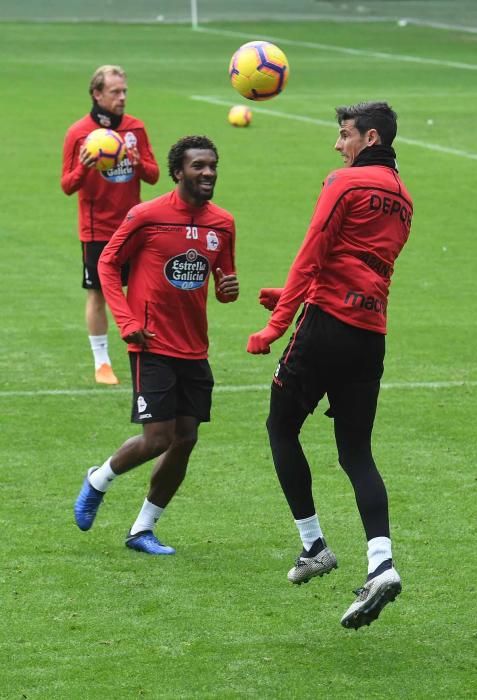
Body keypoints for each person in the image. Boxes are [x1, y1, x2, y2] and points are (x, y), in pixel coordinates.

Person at [247, 102, 413, 630]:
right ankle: (381, 563)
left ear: (368, 137)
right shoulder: (404, 199)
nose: (336, 145)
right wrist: (289, 296)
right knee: (357, 453)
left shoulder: (343, 182)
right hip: (370, 334)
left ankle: (314, 545)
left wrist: (277, 323)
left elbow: (313, 251)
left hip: (326, 327)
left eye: (342, 135)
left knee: (279, 426)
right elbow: (360, 263)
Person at [73, 135, 239, 555]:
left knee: (186, 439)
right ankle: (98, 479)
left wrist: (228, 289)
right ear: (178, 171)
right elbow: (107, 264)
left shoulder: (223, 222)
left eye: (212, 165)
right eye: (199, 166)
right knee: (157, 438)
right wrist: (126, 321)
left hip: (194, 347)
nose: (208, 173)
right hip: (151, 341)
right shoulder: (146, 215)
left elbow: (221, 282)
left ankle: (142, 529)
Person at [61, 64, 159, 384]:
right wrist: (83, 169)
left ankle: (146, 350)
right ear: (97, 94)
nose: (122, 98)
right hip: (97, 230)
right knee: (98, 293)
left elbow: (154, 175)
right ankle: (101, 362)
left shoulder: (135, 129)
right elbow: (67, 185)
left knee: (145, 290)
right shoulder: (78, 134)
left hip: (134, 227)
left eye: (124, 91)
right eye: (115, 92)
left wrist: (137, 161)